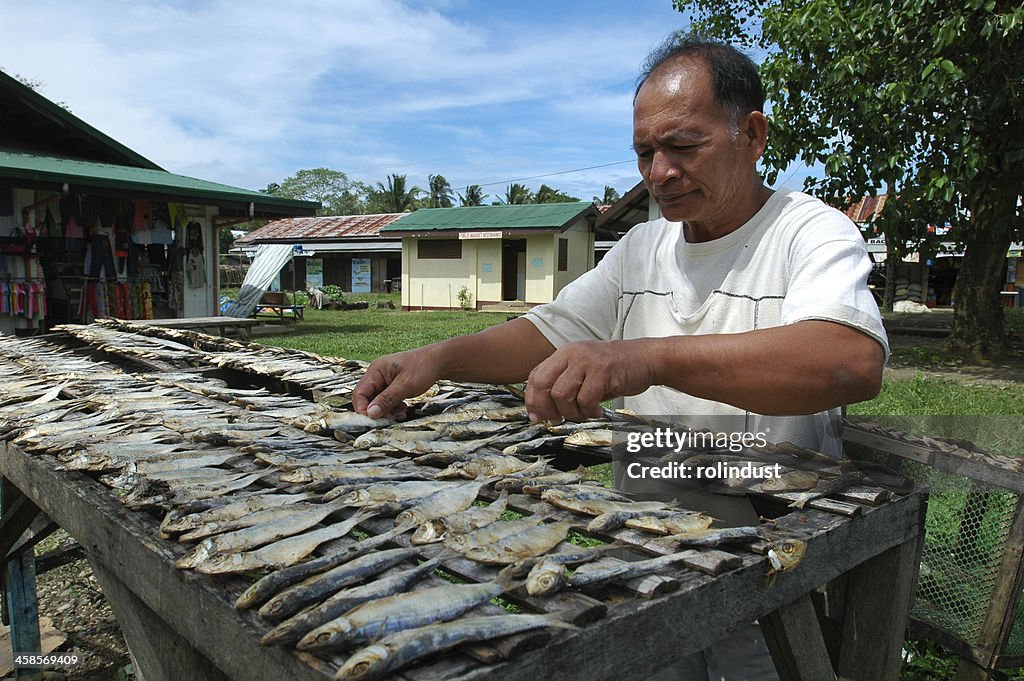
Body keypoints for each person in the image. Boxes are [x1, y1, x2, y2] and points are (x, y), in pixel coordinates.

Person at [354, 34, 888, 680]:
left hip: (769, 560)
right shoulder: (641, 247)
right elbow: (546, 330)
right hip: (643, 547)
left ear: (751, 134)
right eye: (645, 152)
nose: (660, 172)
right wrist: (436, 357)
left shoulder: (808, 230)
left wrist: (647, 358)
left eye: (683, 146)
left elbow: (849, 360)